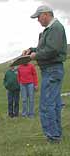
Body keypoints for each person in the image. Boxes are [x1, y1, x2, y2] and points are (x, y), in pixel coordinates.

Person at [23, 5, 67, 143]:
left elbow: (52, 50)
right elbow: (47, 47)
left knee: (47, 105)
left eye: (38, 17)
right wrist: (32, 49)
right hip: (52, 70)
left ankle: (53, 137)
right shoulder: (51, 29)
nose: (38, 20)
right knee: (53, 104)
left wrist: (34, 56)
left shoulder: (55, 28)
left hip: (52, 70)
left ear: (46, 14)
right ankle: (56, 135)